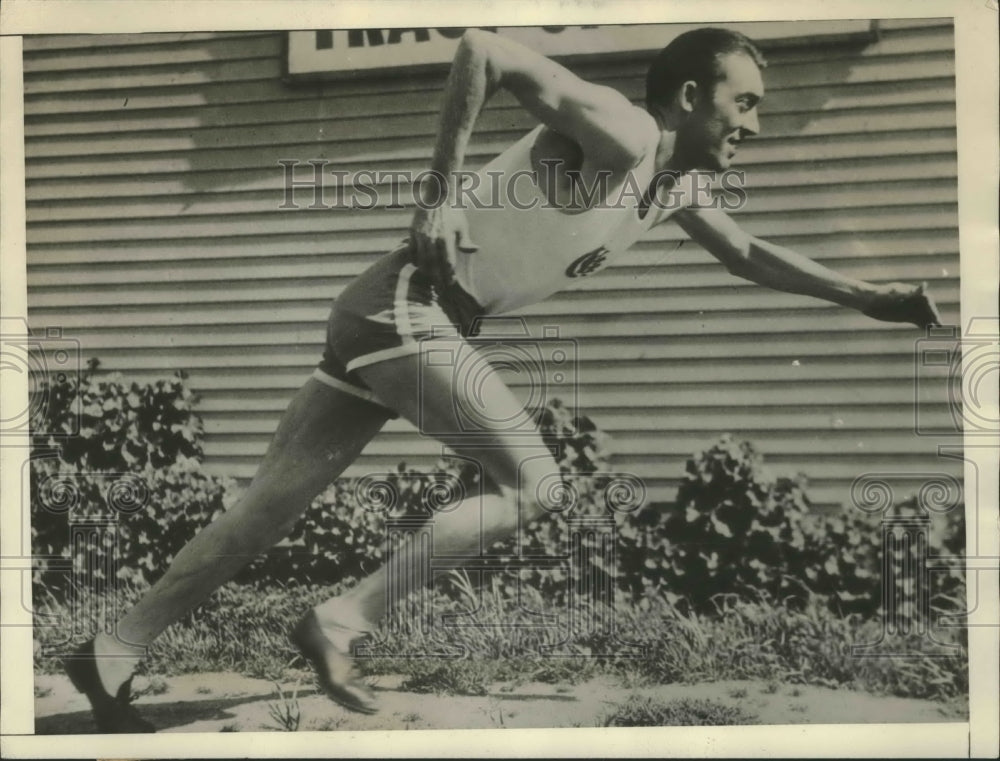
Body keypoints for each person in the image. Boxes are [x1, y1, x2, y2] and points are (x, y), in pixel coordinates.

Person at [63, 27, 941, 732]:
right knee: (533, 482)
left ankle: (111, 652)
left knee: (263, 512)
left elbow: (748, 253)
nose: (753, 124)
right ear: (688, 97)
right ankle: (339, 621)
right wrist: (439, 197)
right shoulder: (627, 132)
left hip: (385, 315)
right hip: (408, 306)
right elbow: (482, 48)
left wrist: (872, 297)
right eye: (743, 103)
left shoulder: (667, 187)